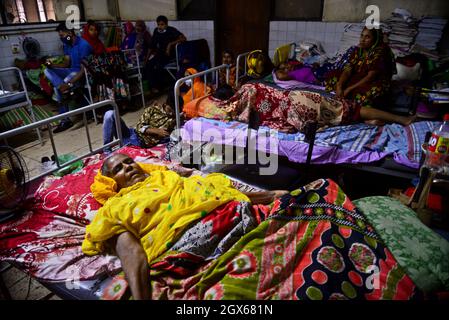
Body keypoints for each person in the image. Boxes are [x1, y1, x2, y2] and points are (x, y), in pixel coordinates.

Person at [82, 153, 288, 299]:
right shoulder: (115, 208)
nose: (128, 167)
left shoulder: (166, 177)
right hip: (191, 242)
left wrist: (269, 196)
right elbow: (130, 251)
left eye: (129, 162)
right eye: (118, 168)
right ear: (111, 183)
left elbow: (213, 195)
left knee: (309, 197)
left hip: (233, 213)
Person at [44, 22, 93, 133]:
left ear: (70, 33)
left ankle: (65, 120)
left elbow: (84, 69)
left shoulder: (83, 45)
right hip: (70, 71)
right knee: (47, 71)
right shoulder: (67, 45)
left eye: (62, 35)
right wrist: (52, 66)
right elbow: (66, 64)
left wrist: (69, 83)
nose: (61, 38)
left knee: (58, 90)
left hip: (81, 74)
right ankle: (62, 86)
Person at [102, 103, 175, 153]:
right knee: (110, 113)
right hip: (131, 133)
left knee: (120, 154)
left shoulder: (172, 120)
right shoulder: (152, 109)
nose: (171, 112)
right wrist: (156, 131)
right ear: (165, 105)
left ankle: (112, 153)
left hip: (138, 143)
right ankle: (107, 151)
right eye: (170, 109)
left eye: (173, 111)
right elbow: (139, 127)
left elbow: (167, 136)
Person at [145, 15, 187, 94]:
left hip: (169, 55)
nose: (160, 27)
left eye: (162, 24)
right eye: (158, 25)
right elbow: (151, 46)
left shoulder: (171, 30)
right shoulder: (156, 31)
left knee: (158, 66)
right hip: (160, 54)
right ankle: (153, 87)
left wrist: (170, 44)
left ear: (166, 24)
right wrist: (146, 59)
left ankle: (160, 88)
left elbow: (183, 38)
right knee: (149, 64)